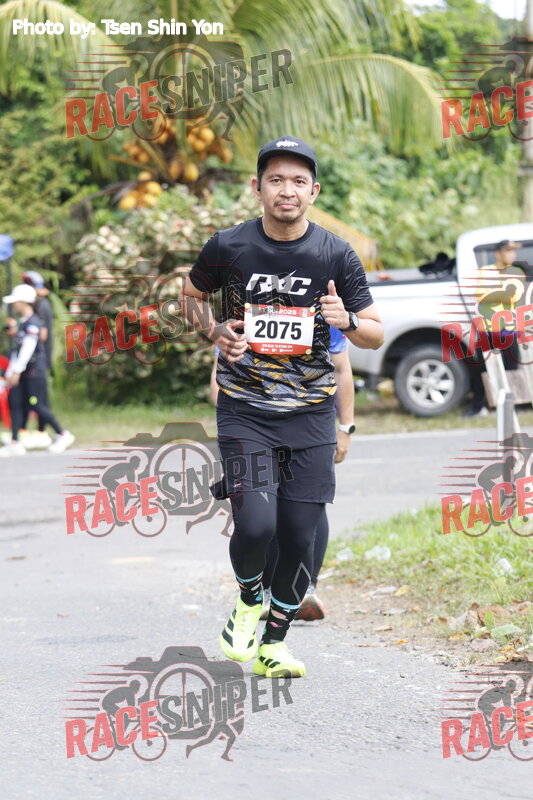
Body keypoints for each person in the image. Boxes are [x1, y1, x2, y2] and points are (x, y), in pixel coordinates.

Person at [182, 135, 383, 678]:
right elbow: (190, 298)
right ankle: (250, 599)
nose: (286, 190)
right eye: (276, 179)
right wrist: (214, 331)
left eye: (298, 181)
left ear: (313, 191)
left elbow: (374, 334)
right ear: (257, 188)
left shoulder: (335, 254)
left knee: (299, 536)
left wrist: (346, 320)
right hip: (245, 409)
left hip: (311, 415)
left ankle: (274, 643)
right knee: (255, 526)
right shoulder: (228, 246)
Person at [210, 325, 356, 622]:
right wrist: (235, 422)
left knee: (307, 506)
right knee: (264, 510)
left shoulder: (323, 314)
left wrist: (345, 428)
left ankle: (306, 588)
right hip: (254, 423)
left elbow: (342, 369)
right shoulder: (243, 311)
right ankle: (264, 589)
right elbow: (220, 375)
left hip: (308, 423)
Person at [1, 284, 74, 456]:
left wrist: (16, 371)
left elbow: (28, 348)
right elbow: (17, 350)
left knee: (36, 405)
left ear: (23, 302)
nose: (13, 305)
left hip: (34, 373)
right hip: (22, 373)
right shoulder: (23, 322)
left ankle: (63, 434)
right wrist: (11, 372)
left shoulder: (33, 323)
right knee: (15, 403)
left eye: (15, 302)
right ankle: (15, 442)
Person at [464, 240, 526, 417]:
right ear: (498, 253)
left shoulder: (517, 272)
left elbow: (515, 296)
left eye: (513, 251)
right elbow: (480, 295)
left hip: (508, 328)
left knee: (511, 368)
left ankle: (515, 407)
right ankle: (479, 406)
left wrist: (492, 292)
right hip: (486, 328)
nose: (512, 254)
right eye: (508, 250)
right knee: (481, 368)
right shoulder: (486, 270)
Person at [21, 270, 54, 445]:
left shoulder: (41, 305)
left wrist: (22, 332)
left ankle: (44, 431)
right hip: (38, 359)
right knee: (35, 398)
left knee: (39, 400)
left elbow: (41, 334)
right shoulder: (40, 304)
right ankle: (30, 430)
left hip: (40, 359)